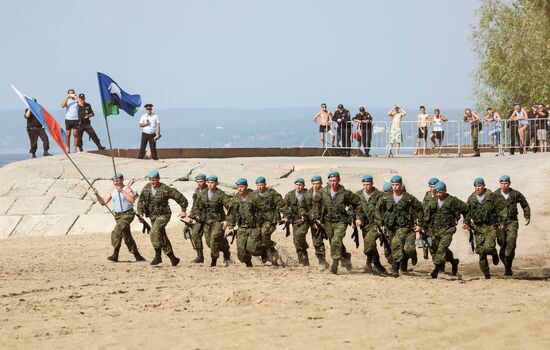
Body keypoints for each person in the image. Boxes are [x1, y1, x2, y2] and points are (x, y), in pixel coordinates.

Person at [136, 170, 188, 266]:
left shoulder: (165, 189)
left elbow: (180, 198)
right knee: (161, 236)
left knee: (154, 231)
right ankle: (173, 258)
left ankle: (158, 256)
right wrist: (140, 213)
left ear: (158, 179)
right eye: (151, 180)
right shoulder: (146, 188)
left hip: (164, 215)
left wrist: (183, 210)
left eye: (154, 180)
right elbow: (141, 201)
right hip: (152, 216)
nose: (153, 182)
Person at [91, 172, 146, 263]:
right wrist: (97, 194)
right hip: (118, 216)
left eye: (117, 180)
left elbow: (132, 200)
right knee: (127, 236)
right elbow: (103, 202)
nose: (116, 182)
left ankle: (114, 254)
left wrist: (122, 191)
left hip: (128, 214)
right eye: (114, 180)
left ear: (122, 180)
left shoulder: (127, 189)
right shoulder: (112, 190)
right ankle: (138, 256)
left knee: (117, 232)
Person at [375, 175, 423, 277]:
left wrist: (420, 224)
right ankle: (403, 261)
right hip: (390, 227)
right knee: (392, 248)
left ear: (401, 185)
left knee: (397, 243)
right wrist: (380, 224)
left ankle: (395, 268)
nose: (395, 187)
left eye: (397, 185)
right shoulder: (386, 197)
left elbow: (420, 209)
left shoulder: (408, 198)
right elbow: (378, 210)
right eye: (393, 185)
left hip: (404, 227)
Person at [318, 171, 361, 274]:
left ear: (339, 180)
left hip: (341, 221)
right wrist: (317, 217)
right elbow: (316, 204)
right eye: (331, 181)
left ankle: (335, 263)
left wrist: (355, 216)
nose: (333, 183)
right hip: (327, 221)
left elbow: (358, 203)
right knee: (334, 242)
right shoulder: (323, 192)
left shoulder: (345, 193)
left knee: (336, 239)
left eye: (335, 180)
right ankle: (345, 256)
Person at [422, 181, 467, 278]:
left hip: (448, 230)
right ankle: (453, 262)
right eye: (437, 192)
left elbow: (465, 208)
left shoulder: (452, 200)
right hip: (435, 230)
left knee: (441, 248)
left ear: (445, 190)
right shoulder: (432, 202)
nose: (439, 194)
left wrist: (466, 221)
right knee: (437, 248)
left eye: (441, 192)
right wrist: (421, 227)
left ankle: (436, 269)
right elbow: (426, 217)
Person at [463, 177, 504, 279]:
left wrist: (502, 222)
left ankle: (494, 253)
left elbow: (501, 209)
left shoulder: (492, 196)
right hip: (478, 228)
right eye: (476, 186)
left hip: (491, 226)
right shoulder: (471, 199)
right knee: (481, 252)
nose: (478, 188)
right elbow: (467, 212)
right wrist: (466, 223)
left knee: (488, 247)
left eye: (479, 186)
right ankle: (486, 274)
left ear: (483, 186)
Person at [493, 175, 530, 276]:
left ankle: (508, 266)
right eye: (502, 184)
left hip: (512, 222)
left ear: (509, 183)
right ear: (499, 184)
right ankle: (505, 261)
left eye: (506, 184)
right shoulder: (494, 195)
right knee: (502, 244)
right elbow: (489, 209)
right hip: (499, 224)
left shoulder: (515, 194)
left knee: (511, 244)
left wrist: (527, 216)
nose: (504, 186)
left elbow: (524, 204)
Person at [192, 175, 232, 267]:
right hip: (206, 221)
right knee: (209, 243)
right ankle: (226, 250)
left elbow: (230, 206)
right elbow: (196, 206)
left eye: (212, 183)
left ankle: (214, 261)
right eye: (209, 183)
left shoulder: (220, 194)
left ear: (216, 183)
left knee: (214, 239)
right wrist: (193, 216)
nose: (210, 185)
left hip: (218, 221)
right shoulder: (203, 193)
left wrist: (227, 220)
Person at [226, 178, 263, 267]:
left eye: (242, 187)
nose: (240, 189)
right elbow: (231, 214)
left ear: (246, 186)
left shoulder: (255, 196)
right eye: (238, 187)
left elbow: (264, 210)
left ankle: (267, 250)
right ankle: (248, 264)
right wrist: (231, 227)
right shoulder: (235, 199)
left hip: (254, 227)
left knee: (252, 249)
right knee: (241, 253)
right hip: (242, 227)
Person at [355, 175, 386, 274]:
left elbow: (383, 210)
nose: (366, 187)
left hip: (375, 224)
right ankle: (369, 264)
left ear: (372, 184)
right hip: (364, 225)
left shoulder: (379, 195)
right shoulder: (358, 195)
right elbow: (354, 209)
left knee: (369, 243)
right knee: (369, 244)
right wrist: (357, 219)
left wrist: (382, 224)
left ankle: (377, 263)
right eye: (364, 184)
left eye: (368, 184)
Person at [254, 176, 286, 266]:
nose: (260, 187)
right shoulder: (254, 195)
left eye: (261, 185)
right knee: (258, 237)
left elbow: (282, 205)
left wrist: (286, 216)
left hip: (271, 220)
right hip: (260, 220)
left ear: (265, 184)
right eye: (258, 185)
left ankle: (272, 253)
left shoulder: (272, 193)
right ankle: (268, 252)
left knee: (265, 233)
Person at [282, 178, 310, 266]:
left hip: (306, 220)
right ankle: (303, 259)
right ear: (295, 185)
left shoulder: (308, 194)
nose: (299, 186)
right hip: (294, 220)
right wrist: (286, 217)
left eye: (300, 184)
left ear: (304, 185)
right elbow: (284, 207)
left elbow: (313, 207)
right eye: (297, 184)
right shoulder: (289, 195)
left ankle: (303, 256)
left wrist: (306, 214)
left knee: (299, 235)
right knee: (296, 240)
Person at [304, 175, 329, 269]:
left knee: (334, 240)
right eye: (313, 184)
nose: (315, 185)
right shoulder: (308, 193)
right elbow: (303, 206)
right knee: (317, 241)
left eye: (317, 183)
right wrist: (305, 214)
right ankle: (322, 261)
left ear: (321, 183)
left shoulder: (326, 193)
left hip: (326, 221)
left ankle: (344, 257)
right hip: (314, 221)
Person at [188, 173, 208, 263]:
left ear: (205, 181)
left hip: (209, 218)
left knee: (212, 239)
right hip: (199, 218)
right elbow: (195, 204)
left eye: (201, 181)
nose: (199, 183)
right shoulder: (197, 191)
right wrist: (191, 217)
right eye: (198, 182)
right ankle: (200, 256)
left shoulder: (209, 190)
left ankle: (226, 253)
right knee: (195, 233)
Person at [60, 88, 80, 153]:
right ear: (68, 94)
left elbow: (82, 104)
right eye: (70, 93)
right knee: (68, 135)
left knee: (75, 134)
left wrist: (76, 97)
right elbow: (62, 106)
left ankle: (75, 149)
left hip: (75, 119)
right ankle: (68, 148)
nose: (71, 94)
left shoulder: (77, 100)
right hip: (68, 119)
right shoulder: (67, 100)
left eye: (72, 93)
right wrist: (67, 97)